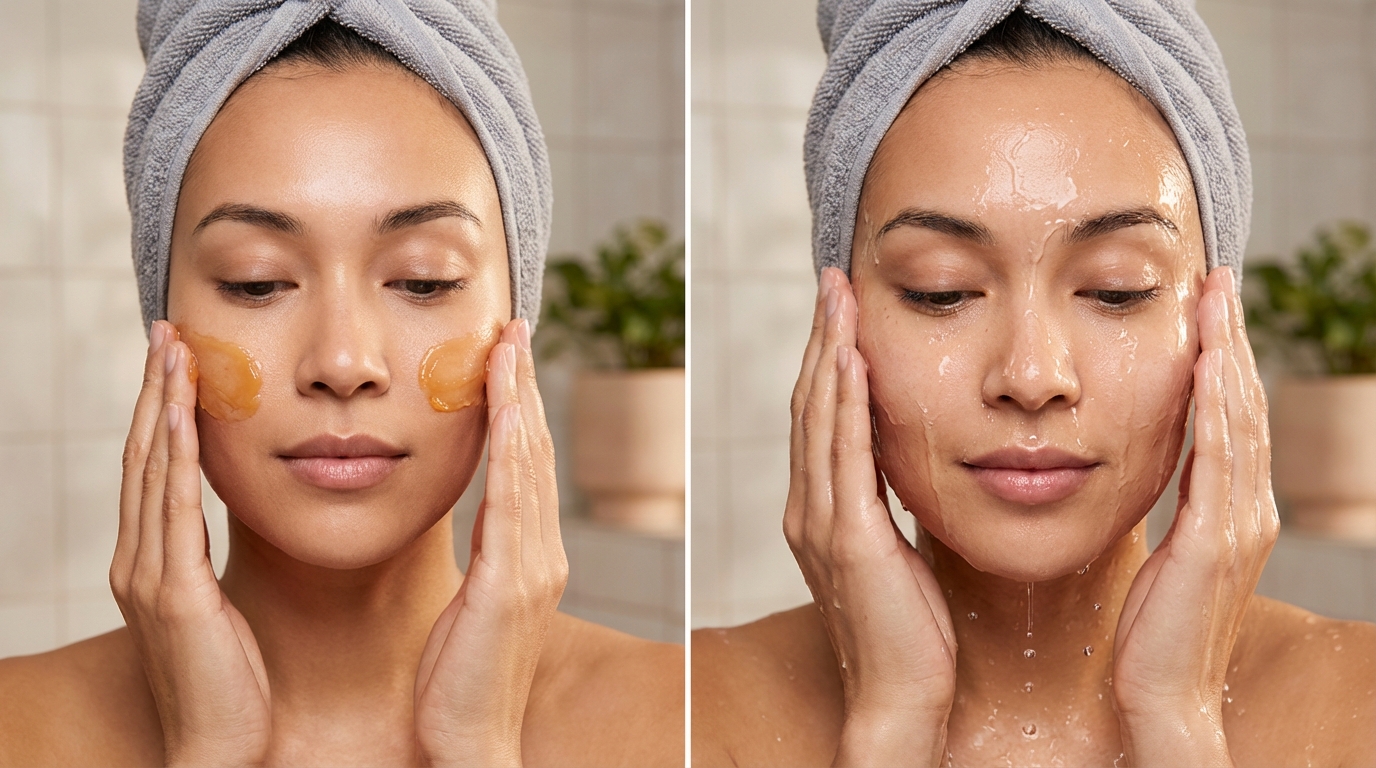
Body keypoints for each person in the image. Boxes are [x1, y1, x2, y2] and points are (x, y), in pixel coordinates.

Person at [693, 7, 1375, 767]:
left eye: (1117, 290)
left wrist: (1174, 720)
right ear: (839, 320)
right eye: (939, 290)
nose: (1031, 376)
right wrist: (893, 723)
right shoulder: (692, 716)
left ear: (1217, 328)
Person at [0, 10, 681, 768]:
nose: (344, 360)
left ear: (514, 323)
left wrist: (478, 749)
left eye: (426, 278)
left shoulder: (675, 721)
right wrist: (208, 752)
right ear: (164, 327)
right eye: (254, 282)